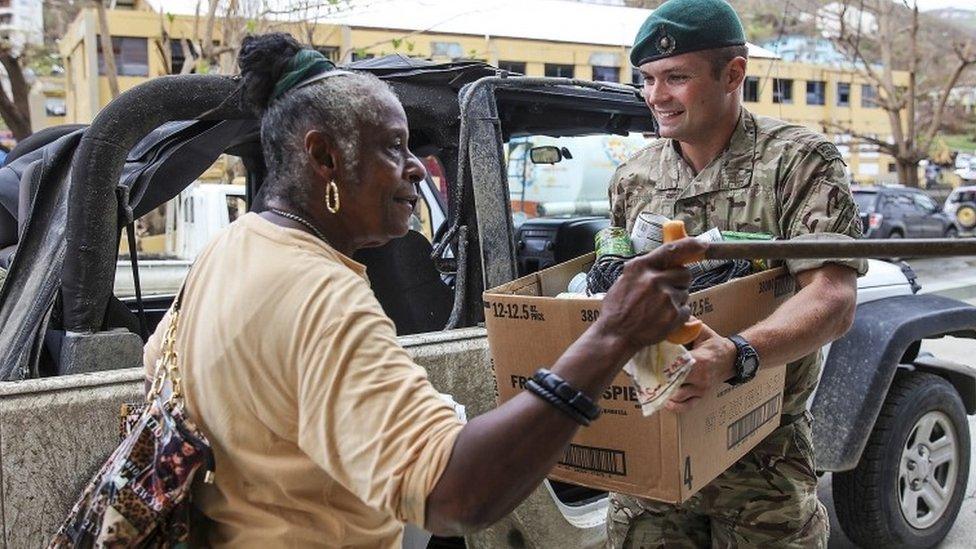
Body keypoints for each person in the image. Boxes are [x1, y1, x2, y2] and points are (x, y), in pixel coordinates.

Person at [142, 32, 705, 548]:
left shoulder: (232, 247)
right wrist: (612, 334)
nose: (416, 168)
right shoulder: (319, 293)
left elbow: (166, 368)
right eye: (394, 146)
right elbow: (453, 496)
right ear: (323, 157)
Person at [605, 1, 867, 547]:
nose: (656, 96)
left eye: (676, 77)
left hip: (762, 463)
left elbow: (833, 296)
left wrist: (737, 355)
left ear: (733, 74)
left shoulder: (800, 161)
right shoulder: (633, 176)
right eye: (648, 79)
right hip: (653, 466)